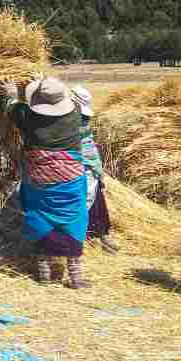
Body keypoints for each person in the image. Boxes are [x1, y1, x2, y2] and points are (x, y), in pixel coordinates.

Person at [0, 76, 91, 287]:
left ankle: (44, 273)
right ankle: (75, 275)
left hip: (39, 176)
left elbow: (12, 106)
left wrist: (12, 92)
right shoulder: (76, 113)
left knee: (40, 214)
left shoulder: (28, 117)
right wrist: (45, 86)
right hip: (71, 177)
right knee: (74, 215)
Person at [72, 85, 118, 253]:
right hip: (80, 165)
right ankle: (94, 235)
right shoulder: (72, 119)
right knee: (88, 199)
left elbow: (86, 144)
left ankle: (100, 235)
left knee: (92, 198)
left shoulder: (80, 120)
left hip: (86, 165)